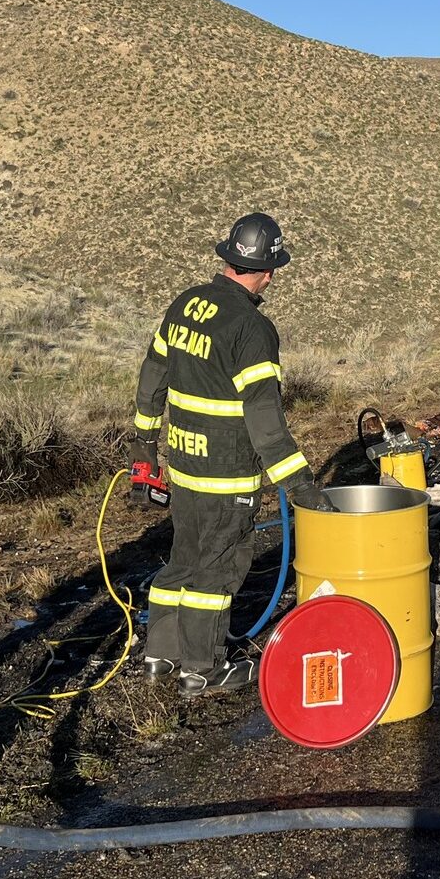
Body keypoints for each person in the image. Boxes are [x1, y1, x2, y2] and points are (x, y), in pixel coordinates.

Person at [132, 212, 332, 696]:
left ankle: (160, 654)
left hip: (182, 462)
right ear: (266, 270)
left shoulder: (185, 305)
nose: (272, 278)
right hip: (226, 473)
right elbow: (266, 424)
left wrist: (144, 446)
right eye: (273, 269)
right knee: (217, 569)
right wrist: (301, 488)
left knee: (182, 557)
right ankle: (202, 669)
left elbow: (152, 377)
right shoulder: (252, 327)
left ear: (227, 258)